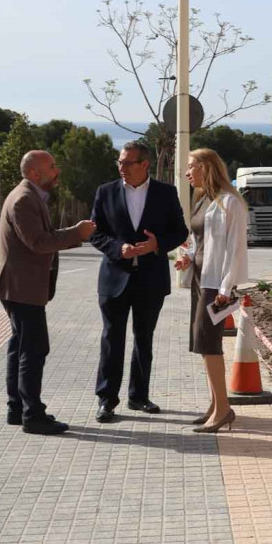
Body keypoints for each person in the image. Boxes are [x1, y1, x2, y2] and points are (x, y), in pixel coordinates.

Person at [0, 151, 96, 435]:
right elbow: (38, 242)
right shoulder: (24, 199)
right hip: (21, 287)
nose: (57, 170)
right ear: (35, 173)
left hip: (18, 285)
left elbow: (40, 237)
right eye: (51, 166)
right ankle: (32, 415)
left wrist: (74, 232)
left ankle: (17, 408)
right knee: (34, 349)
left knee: (21, 346)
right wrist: (77, 233)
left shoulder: (29, 195)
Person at [89, 142, 188, 423]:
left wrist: (158, 245)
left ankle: (139, 396)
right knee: (112, 338)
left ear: (145, 164)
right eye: (119, 162)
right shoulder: (105, 192)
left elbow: (179, 231)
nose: (121, 168)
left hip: (150, 280)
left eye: (127, 163)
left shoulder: (166, 193)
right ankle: (106, 400)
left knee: (143, 339)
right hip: (113, 279)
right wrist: (117, 247)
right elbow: (96, 234)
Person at [174, 148, 249, 433]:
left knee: (209, 343)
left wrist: (226, 287)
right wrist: (188, 256)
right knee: (202, 345)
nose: (187, 172)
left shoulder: (231, 202)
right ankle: (216, 404)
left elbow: (235, 249)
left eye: (192, 166)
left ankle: (223, 410)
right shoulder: (202, 200)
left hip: (216, 284)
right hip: (199, 280)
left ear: (207, 167)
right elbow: (199, 240)